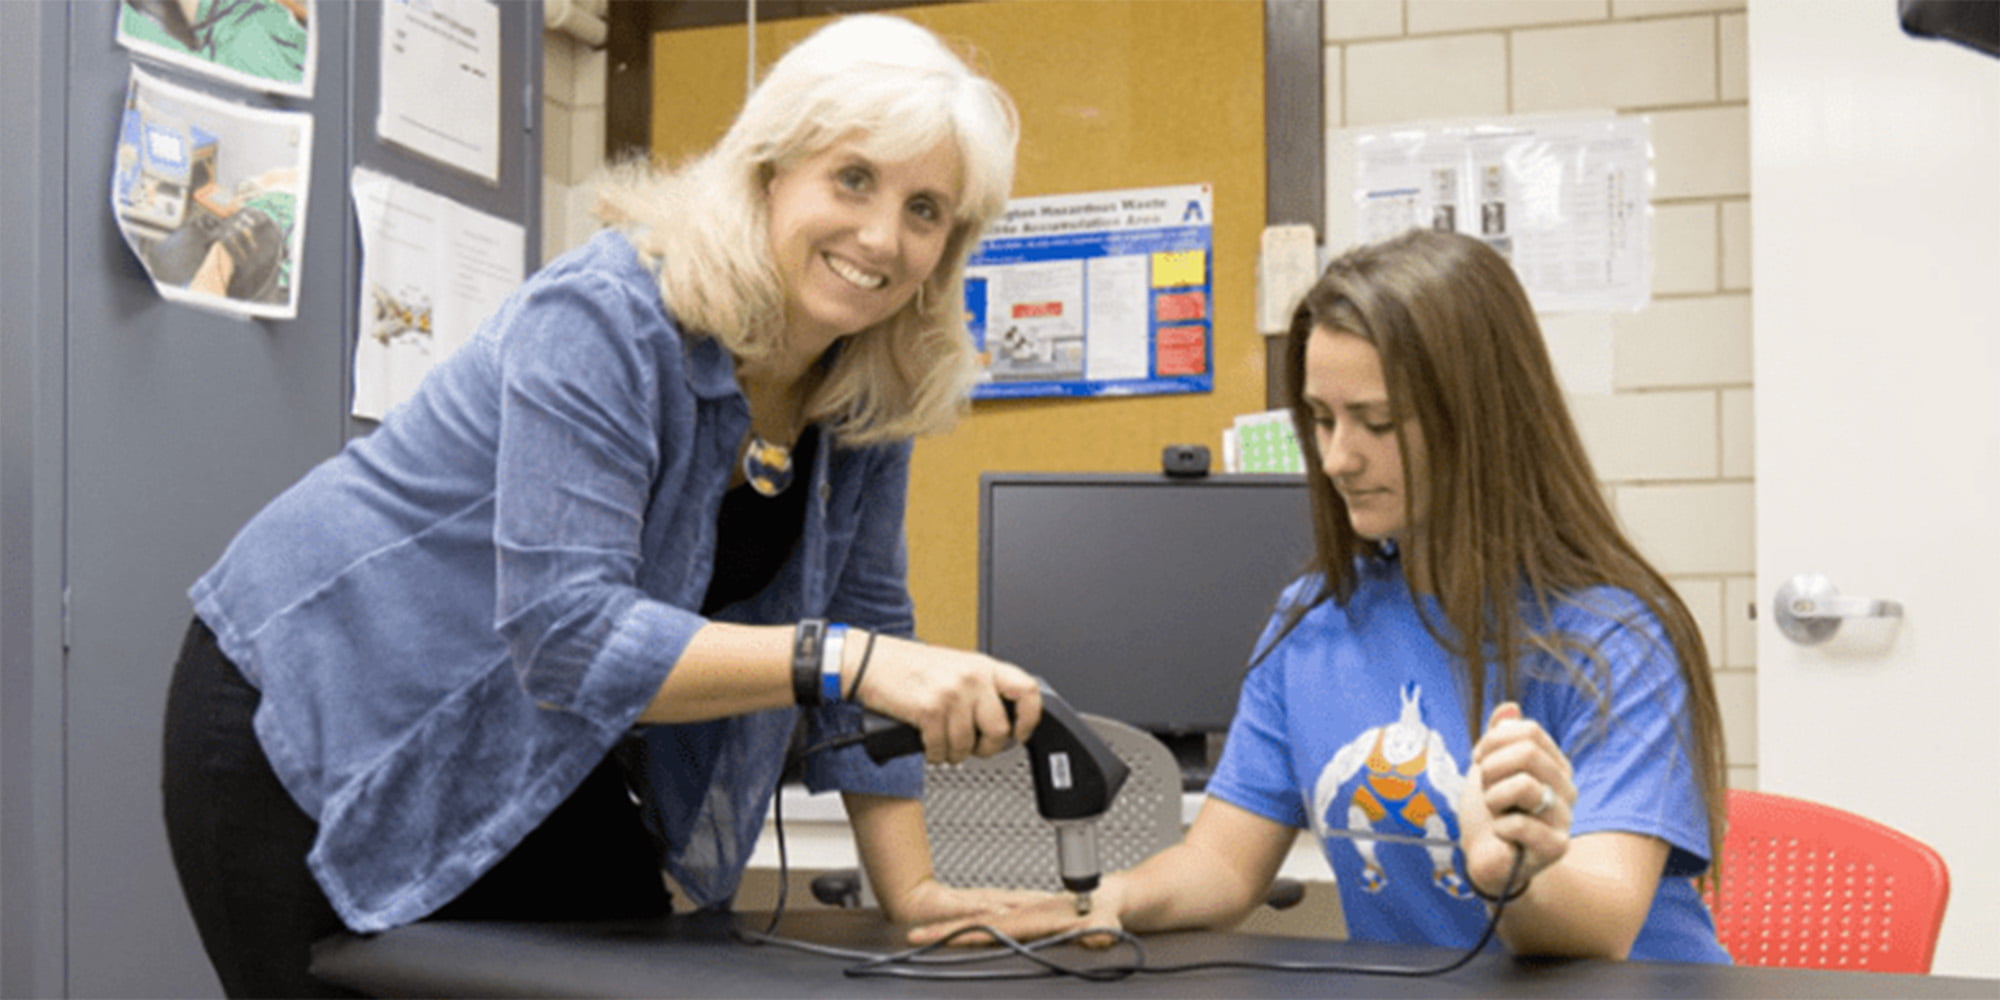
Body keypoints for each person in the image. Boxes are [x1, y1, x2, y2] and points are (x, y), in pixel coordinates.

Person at [163, 15, 1045, 998]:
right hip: (312, 706)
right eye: (851, 179)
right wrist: (844, 660)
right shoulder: (605, 316)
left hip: (527, 726)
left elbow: (872, 617)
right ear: (767, 173)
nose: (881, 236)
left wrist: (913, 891)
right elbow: (571, 632)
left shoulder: (867, 388)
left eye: (924, 209)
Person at [914, 228, 1731, 963]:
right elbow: (1223, 867)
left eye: (1376, 421)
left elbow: (1601, 928)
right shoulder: (1313, 622)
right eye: (1321, 418)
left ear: (1481, 421)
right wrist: (1109, 901)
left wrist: (1512, 876)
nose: (1338, 458)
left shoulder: (1613, 637)